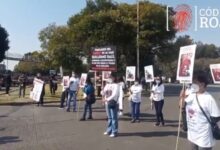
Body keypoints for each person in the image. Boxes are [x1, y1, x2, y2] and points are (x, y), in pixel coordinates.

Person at [180, 71, 220, 150]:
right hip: (192, 135)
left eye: (195, 82)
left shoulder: (209, 98)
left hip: (204, 137)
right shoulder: (191, 94)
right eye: (193, 82)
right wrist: (182, 97)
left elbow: (216, 117)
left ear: (202, 84)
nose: (193, 84)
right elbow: (181, 106)